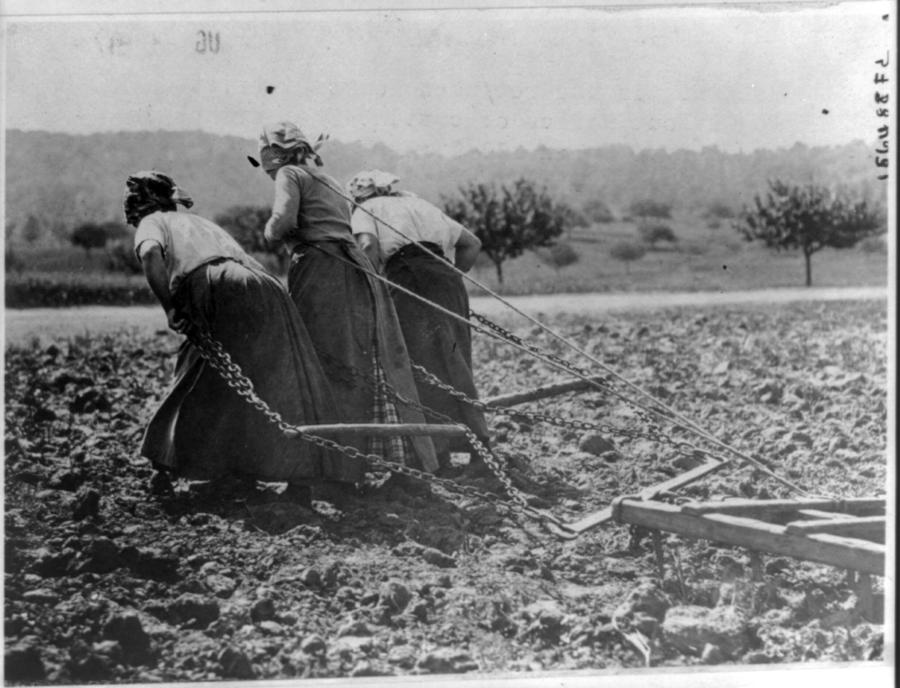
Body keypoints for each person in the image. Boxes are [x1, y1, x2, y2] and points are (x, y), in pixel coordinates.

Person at [125, 170, 349, 500]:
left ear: (141, 206)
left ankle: (165, 463)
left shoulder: (152, 221)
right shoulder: (201, 223)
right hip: (265, 285)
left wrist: (170, 307)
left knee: (199, 371)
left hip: (217, 284)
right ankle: (294, 477)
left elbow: (149, 254)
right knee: (280, 376)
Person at [256, 122, 438, 475]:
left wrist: (269, 231)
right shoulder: (329, 180)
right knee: (354, 360)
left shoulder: (289, 174)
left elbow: (283, 221)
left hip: (321, 268)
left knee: (322, 359)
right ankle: (358, 461)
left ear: (274, 156)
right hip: (354, 269)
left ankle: (332, 469)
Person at [348, 170, 490, 471]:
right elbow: (472, 244)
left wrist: (370, 285)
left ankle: (438, 456)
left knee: (421, 365)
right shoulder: (421, 205)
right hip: (448, 281)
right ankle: (480, 448)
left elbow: (368, 247)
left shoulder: (366, 209)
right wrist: (447, 275)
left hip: (408, 278)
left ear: (359, 195)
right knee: (456, 361)